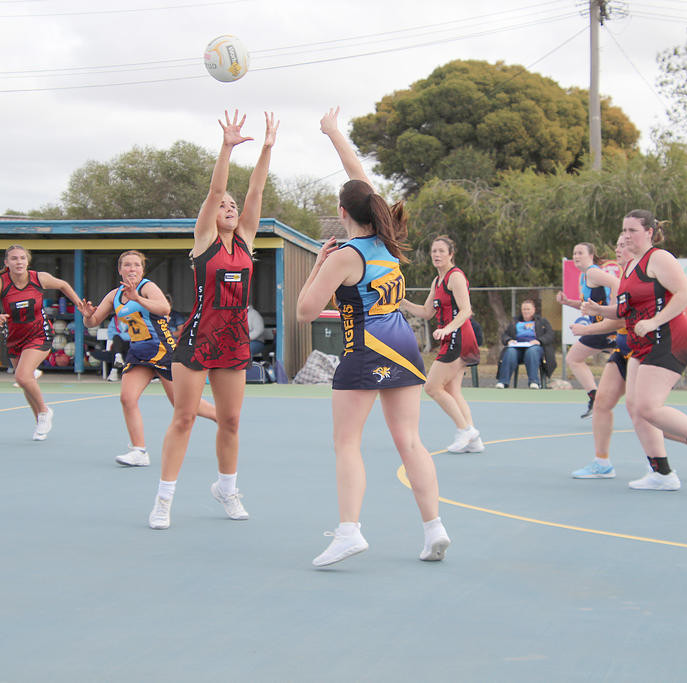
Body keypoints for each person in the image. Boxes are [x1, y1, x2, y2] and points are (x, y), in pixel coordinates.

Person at [296, 107, 450, 567]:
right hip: (402, 344)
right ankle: (434, 528)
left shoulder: (345, 255)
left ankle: (349, 531)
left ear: (342, 214)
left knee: (347, 442)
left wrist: (319, 265)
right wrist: (334, 133)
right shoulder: (387, 240)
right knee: (410, 441)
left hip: (365, 348)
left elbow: (305, 312)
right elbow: (360, 178)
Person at [147, 110, 279, 530]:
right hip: (198, 339)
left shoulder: (246, 241)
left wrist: (267, 148)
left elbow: (255, 190)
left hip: (234, 340)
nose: (229, 206)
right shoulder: (204, 242)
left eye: (233, 206)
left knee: (231, 420)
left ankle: (226, 487)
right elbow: (216, 188)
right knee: (184, 417)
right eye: (223, 205)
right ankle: (164, 499)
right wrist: (226, 147)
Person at [580, 210, 687, 490]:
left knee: (649, 407)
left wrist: (654, 321)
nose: (626, 236)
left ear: (649, 232)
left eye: (632, 231)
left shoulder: (659, 258)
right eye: (623, 230)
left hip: (668, 338)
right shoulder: (629, 268)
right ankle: (661, 473)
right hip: (642, 344)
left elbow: (686, 293)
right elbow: (627, 311)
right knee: (636, 409)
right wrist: (599, 310)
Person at [569, 235, 687, 479]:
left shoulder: (633, 279)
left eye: (623, 244)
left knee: (644, 411)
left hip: (640, 348)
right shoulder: (625, 276)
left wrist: (588, 328)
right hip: (624, 346)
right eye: (616, 244)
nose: (618, 249)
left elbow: (622, 317)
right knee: (603, 403)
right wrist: (594, 310)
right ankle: (602, 462)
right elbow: (619, 313)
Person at [82, 250, 217, 467]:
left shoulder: (147, 287)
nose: (132, 269)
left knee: (184, 405)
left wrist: (138, 299)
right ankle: (139, 451)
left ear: (142, 269)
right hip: (139, 353)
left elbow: (165, 308)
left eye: (136, 265)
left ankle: (225, 420)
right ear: (120, 269)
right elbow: (93, 321)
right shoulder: (114, 295)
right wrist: (87, 315)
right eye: (127, 265)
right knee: (127, 398)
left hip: (163, 351)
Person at [0, 244, 85, 441]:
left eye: (22, 258)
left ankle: (44, 412)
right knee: (25, 381)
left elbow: (63, 285)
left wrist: (79, 305)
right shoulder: (1, 283)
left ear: (27, 261)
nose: (18, 262)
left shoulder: (38, 278)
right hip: (14, 338)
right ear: (6, 262)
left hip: (39, 334)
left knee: (22, 376)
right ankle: (39, 422)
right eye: (14, 258)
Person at [399, 234, 483, 453]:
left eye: (441, 251)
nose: (436, 255)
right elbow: (427, 312)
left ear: (450, 254)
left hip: (459, 336)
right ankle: (473, 440)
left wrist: (447, 328)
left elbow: (466, 310)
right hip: (450, 336)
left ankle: (465, 431)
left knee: (432, 387)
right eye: (433, 251)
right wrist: (402, 301)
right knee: (453, 390)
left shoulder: (455, 277)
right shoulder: (437, 281)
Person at [556, 243, 620, 418]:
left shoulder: (593, 272)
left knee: (574, 358)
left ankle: (596, 397)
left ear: (591, 255)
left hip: (605, 328)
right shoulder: (584, 277)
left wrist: (613, 311)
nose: (576, 256)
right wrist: (568, 302)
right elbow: (588, 306)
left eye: (580, 253)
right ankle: (596, 397)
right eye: (574, 253)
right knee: (623, 361)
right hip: (601, 328)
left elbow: (616, 283)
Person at [495, 299, 555, 389]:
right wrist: (509, 340)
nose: (526, 311)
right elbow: (505, 335)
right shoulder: (515, 322)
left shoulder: (542, 321)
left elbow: (550, 334)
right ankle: (503, 382)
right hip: (517, 348)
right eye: (524, 309)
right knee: (510, 351)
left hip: (535, 348)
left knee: (532, 351)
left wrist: (539, 341)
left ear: (534, 310)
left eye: (528, 309)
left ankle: (534, 382)